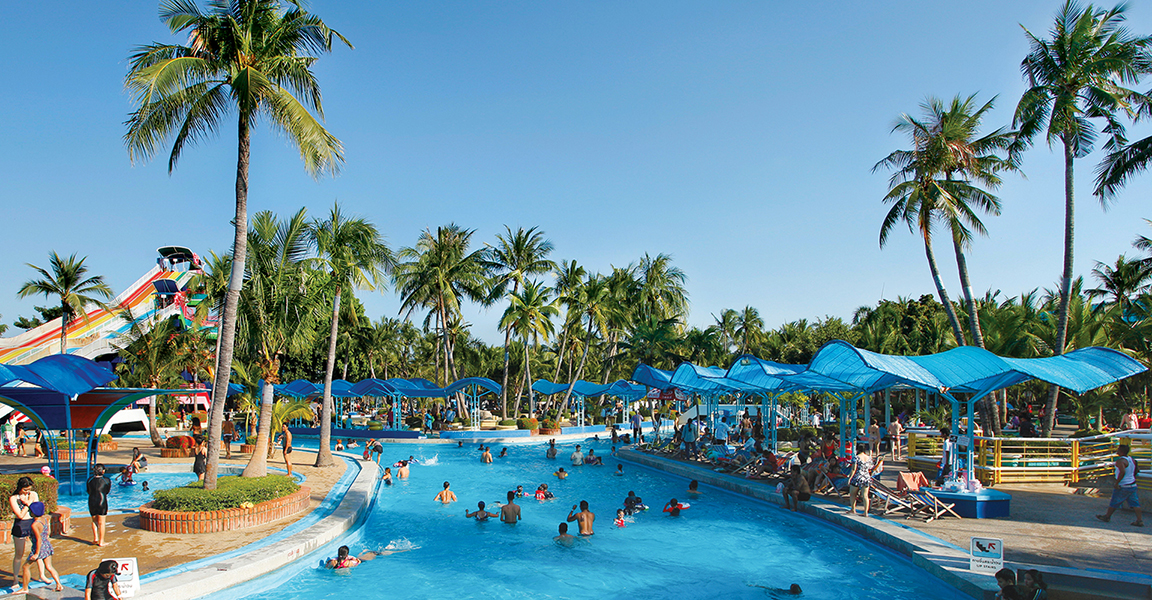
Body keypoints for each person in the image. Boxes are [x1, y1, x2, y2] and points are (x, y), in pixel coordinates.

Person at [16, 501, 61, 593]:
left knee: (25, 567)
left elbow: (38, 539)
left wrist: (36, 553)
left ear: (33, 512)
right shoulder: (44, 519)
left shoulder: (34, 525)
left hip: (39, 547)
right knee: (49, 566)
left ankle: (25, 588)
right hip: (47, 545)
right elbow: (45, 533)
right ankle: (59, 584)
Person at [1095, 444, 1143, 527]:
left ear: (1120, 451)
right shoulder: (1132, 460)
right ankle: (1139, 520)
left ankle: (1107, 516)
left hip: (1123, 485)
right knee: (1135, 504)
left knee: (1114, 502)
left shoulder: (1120, 461)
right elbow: (1136, 470)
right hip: (1132, 485)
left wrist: (1117, 483)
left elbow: (1122, 472)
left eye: (1118, 449)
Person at [9, 476, 39, 587]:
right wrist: (28, 504)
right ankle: (16, 579)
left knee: (37, 550)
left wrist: (29, 502)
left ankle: (42, 574)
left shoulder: (33, 494)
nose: (27, 492)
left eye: (29, 489)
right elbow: (20, 515)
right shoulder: (14, 498)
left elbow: (36, 510)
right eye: (25, 490)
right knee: (19, 554)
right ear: (20, 488)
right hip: (20, 525)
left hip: (32, 523)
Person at [845, 443, 877, 516]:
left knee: (853, 494)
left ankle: (853, 509)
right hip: (866, 477)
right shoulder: (869, 458)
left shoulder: (856, 457)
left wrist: (850, 478)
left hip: (857, 477)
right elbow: (870, 467)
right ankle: (866, 512)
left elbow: (853, 469)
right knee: (865, 495)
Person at [86, 464, 110, 546]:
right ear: (102, 471)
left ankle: (95, 538)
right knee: (102, 522)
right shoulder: (106, 480)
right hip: (102, 501)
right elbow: (107, 491)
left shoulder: (89, 480)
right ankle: (101, 541)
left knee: (94, 520)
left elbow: (88, 491)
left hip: (91, 501)